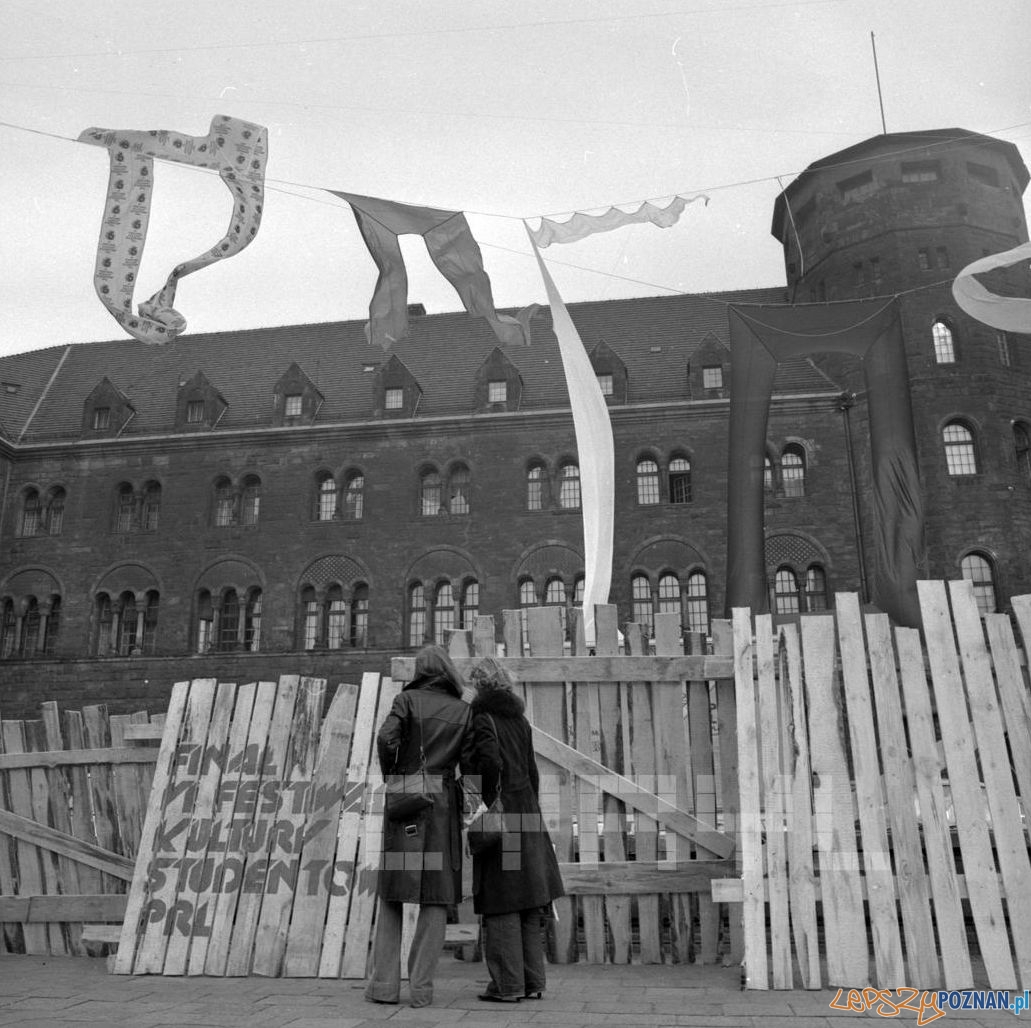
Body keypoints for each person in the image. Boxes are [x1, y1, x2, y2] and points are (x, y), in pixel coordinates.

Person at [364, 645, 471, 1008]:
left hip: (407, 797)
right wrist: (465, 798)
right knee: (436, 896)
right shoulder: (463, 710)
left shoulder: (406, 701)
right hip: (443, 803)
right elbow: (472, 763)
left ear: (420, 670)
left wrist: (396, 778)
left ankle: (384, 987)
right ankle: (422, 990)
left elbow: (385, 738)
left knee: (393, 893)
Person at [463, 656, 565, 1003]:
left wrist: (480, 802)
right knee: (528, 900)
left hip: (501, 817)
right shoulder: (519, 719)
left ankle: (507, 986)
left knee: (502, 898)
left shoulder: (482, 717)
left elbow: (489, 762)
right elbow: (532, 770)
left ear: (479, 684)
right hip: (526, 813)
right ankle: (533, 980)